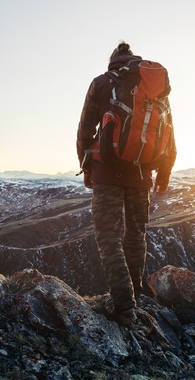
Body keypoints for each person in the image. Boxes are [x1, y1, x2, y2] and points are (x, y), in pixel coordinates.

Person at [76, 41, 176, 325]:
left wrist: (86, 166)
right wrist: (164, 173)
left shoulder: (101, 83)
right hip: (143, 173)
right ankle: (135, 293)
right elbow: (169, 133)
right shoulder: (155, 88)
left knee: (109, 236)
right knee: (136, 234)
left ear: (112, 61)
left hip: (106, 170)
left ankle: (123, 305)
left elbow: (85, 128)